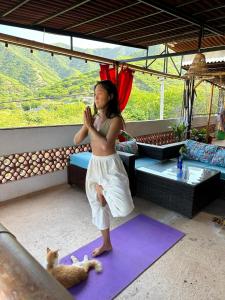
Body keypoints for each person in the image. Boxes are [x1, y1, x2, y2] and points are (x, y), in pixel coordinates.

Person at [74, 80, 134, 257]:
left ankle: (102, 191)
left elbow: (107, 146)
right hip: (95, 164)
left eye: (99, 93)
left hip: (110, 164)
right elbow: (76, 140)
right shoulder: (92, 119)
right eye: (94, 94)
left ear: (110, 96)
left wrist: (91, 126)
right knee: (98, 206)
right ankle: (106, 244)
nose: (96, 97)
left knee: (123, 205)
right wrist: (87, 124)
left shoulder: (116, 120)